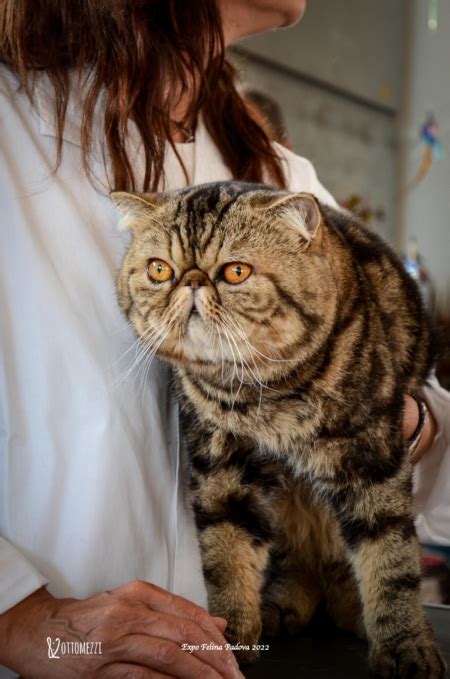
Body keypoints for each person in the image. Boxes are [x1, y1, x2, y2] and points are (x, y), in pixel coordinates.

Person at [0, 0, 448, 677]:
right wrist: (20, 617)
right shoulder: (11, 134)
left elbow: (422, 405)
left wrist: (402, 417)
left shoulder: (276, 175)